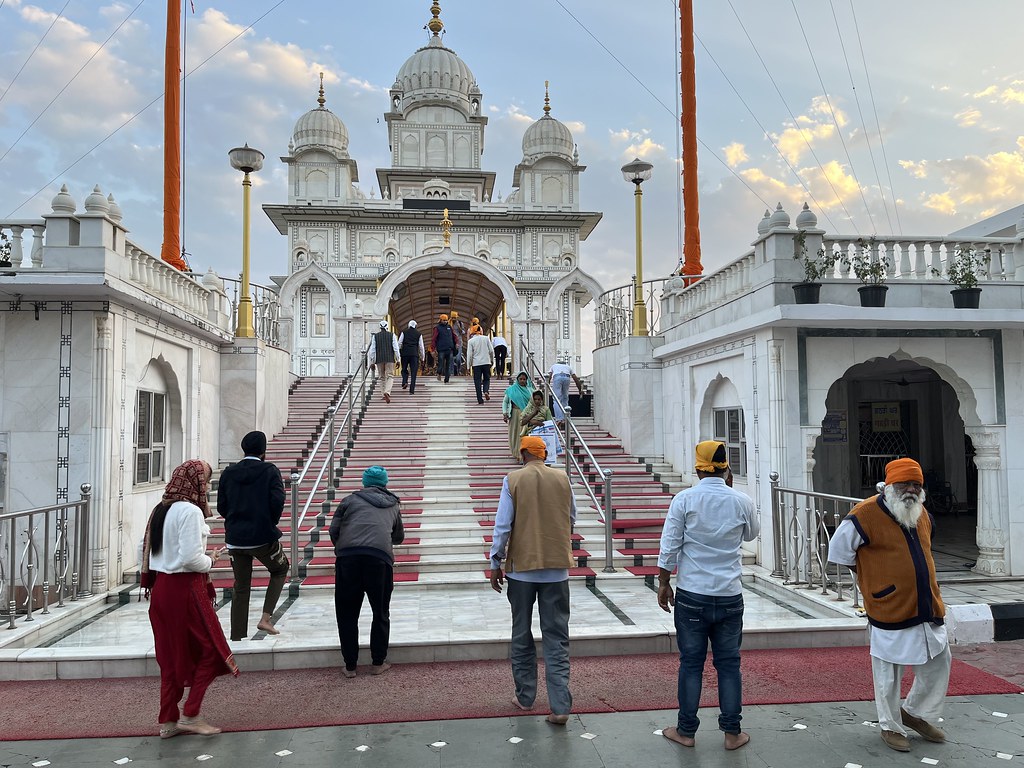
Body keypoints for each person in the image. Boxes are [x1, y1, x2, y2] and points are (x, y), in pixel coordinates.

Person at [828, 458, 950, 753]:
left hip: (925, 603)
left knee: (939, 661)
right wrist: (871, 581)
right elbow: (839, 551)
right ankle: (890, 726)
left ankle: (916, 713)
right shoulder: (864, 513)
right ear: (889, 486)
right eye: (905, 484)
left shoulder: (921, 513)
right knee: (888, 672)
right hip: (888, 605)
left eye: (916, 484)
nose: (910, 489)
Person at [657, 441, 759, 751]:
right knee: (729, 664)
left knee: (691, 664)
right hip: (729, 594)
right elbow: (751, 534)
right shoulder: (741, 499)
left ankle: (686, 731)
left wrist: (663, 582)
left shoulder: (685, 500)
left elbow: (670, 544)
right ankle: (732, 733)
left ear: (698, 469)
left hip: (692, 595)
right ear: (727, 468)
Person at [139, 459, 238, 738]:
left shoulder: (161, 508)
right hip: (185, 590)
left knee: (170, 657)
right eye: (205, 481)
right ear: (194, 482)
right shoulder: (190, 512)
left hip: (161, 592)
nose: (206, 486)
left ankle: (169, 721)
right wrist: (210, 559)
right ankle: (191, 713)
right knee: (212, 650)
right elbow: (191, 559)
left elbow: (153, 552)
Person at [489, 436, 577, 725]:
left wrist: (495, 560)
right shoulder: (562, 478)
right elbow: (571, 518)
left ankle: (525, 696)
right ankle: (560, 706)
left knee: (521, 632)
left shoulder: (513, 479)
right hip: (556, 569)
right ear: (545, 454)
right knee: (556, 636)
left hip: (521, 570)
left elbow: (503, 525)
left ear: (523, 453)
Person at [329, 465, 405, 677]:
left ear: (364, 482)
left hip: (348, 560)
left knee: (346, 614)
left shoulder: (348, 501)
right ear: (385, 482)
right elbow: (398, 537)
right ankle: (377, 662)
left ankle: (350, 666)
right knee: (380, 612)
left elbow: (333, 530)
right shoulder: (393, 505)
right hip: (379, 561)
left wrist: (344, 547)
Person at [216, 430, 289, 642]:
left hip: (236, 538)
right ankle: (266, 618)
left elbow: (222, 505)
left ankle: (237, 634)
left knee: (241, 585)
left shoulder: (229, 472)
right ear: (263, 451)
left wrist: (234, 520)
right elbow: (277, 501)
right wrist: (268, 521)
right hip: (262, 536)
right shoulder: (269, 471)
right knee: (280, 569)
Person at [502, 371, 534, 460]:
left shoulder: (530, 390)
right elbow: (505, 401)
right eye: (521, 379)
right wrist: (505, 413)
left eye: (524, 379)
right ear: (517, 379)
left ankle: (522, 455)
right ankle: (516, 453)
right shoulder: (512, 389)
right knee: (514, 434)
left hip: (526, 415)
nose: (522, 381)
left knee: (524, 434)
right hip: (514, 414)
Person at [367, 320, 400, 403]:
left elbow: (372, 350)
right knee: (390, 376)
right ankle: (387, 392)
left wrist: (372, 362)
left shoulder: (375, 336)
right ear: (387, 327)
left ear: (380, 327)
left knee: (382, 377)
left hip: (379, 359)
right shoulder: (392, 335)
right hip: (389, 359)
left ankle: (383, 394)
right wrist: (398, 359)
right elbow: (396, 348)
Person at [547, 357, 583, 422]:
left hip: (557, 377)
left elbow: (548, 377)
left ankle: (559, 419)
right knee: (565, 398)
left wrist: (547, 386)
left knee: (556, 399)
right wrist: (580, 390)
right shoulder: (568, 367)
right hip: (567, 378)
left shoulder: (554, 366)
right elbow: (576, 379)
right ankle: (565, 418)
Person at [467, 325, 495, 404]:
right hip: (486, 362)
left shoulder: (471, 341)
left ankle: (480, 399)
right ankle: (486, 390)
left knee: (477, 381)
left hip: (476, 364)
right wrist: (492, 360)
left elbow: (469, 355)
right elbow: (491, 351)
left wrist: (468, 367)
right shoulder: (486, 338)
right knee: (487, 378)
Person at [398, 319, 424, 394]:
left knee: (404, 369)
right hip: (414, 354)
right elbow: (421, 347)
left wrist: (399, 352)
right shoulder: (419, 334)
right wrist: (422, 358)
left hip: (405, 353)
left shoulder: (404, 332)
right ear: (415, 326)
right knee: (413, 372)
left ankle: (404, 381)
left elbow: (399, 343)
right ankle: (411, 390)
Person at [431, 313, 458, 384]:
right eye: (444, 320)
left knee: (448, 365)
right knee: (440, 363)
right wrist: (433, 349)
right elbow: (434, 339)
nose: (445, 321)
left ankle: (447, 379)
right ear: (440, 320)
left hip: (449, 349)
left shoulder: (449, 327)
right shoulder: (437, 328)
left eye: (446, 320)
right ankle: (439, 372)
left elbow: (454, 336)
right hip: (441, 350)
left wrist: (457, 343)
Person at [450, 311, 468, 375]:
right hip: (451, 343)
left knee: (458, 358)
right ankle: (451, 372)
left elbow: (463, 332)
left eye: (455, 318)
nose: (454, 319)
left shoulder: (460, 324)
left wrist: (460, 329)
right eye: (453, 318)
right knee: (451, 358)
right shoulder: (449, 324)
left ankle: (458, 370)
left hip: (459, 343)